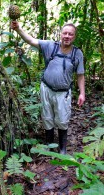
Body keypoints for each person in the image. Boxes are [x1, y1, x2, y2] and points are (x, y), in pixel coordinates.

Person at [11, 21, 85, 154]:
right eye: (65, 33)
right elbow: (32, 41)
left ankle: (62, 149)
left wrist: (82, 93)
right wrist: (18, 29)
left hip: (63, 93)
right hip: (46, 88)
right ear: (60, 34)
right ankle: (49, 146)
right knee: (47, 118)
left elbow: (80, 75)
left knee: (62, 120)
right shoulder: (50, 46)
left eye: (71, 34)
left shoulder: (77, 53)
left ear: (74, 37)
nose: (67, 36)